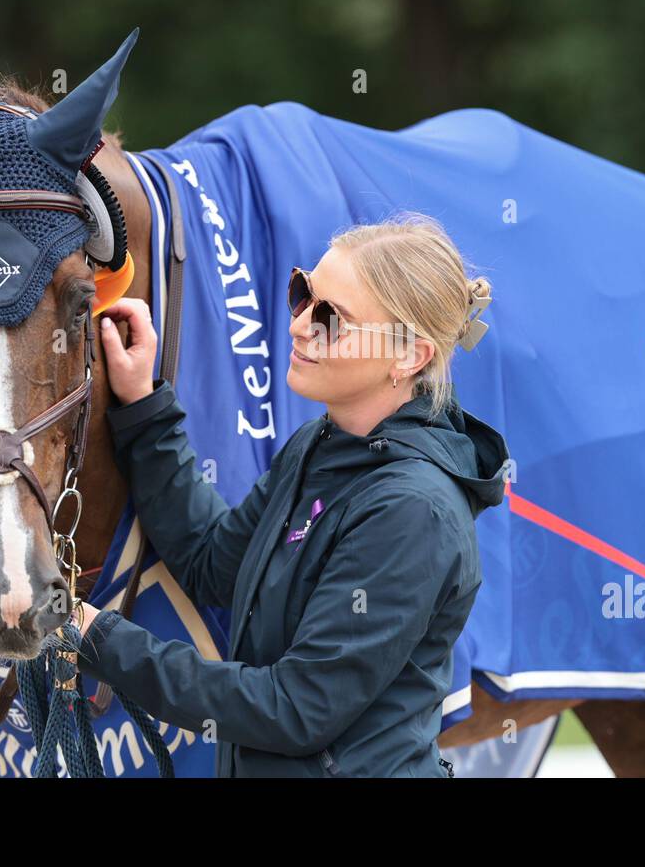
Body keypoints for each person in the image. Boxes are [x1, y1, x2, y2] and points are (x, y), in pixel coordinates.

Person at [74, 215, 510, 777]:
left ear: (410, 356)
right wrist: (142, 406)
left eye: (332, 317)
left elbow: (295, 709)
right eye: (303, 295)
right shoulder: (319, 445)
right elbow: (212, 563)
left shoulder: (412, 509)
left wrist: (95, 638)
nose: (302, 325)